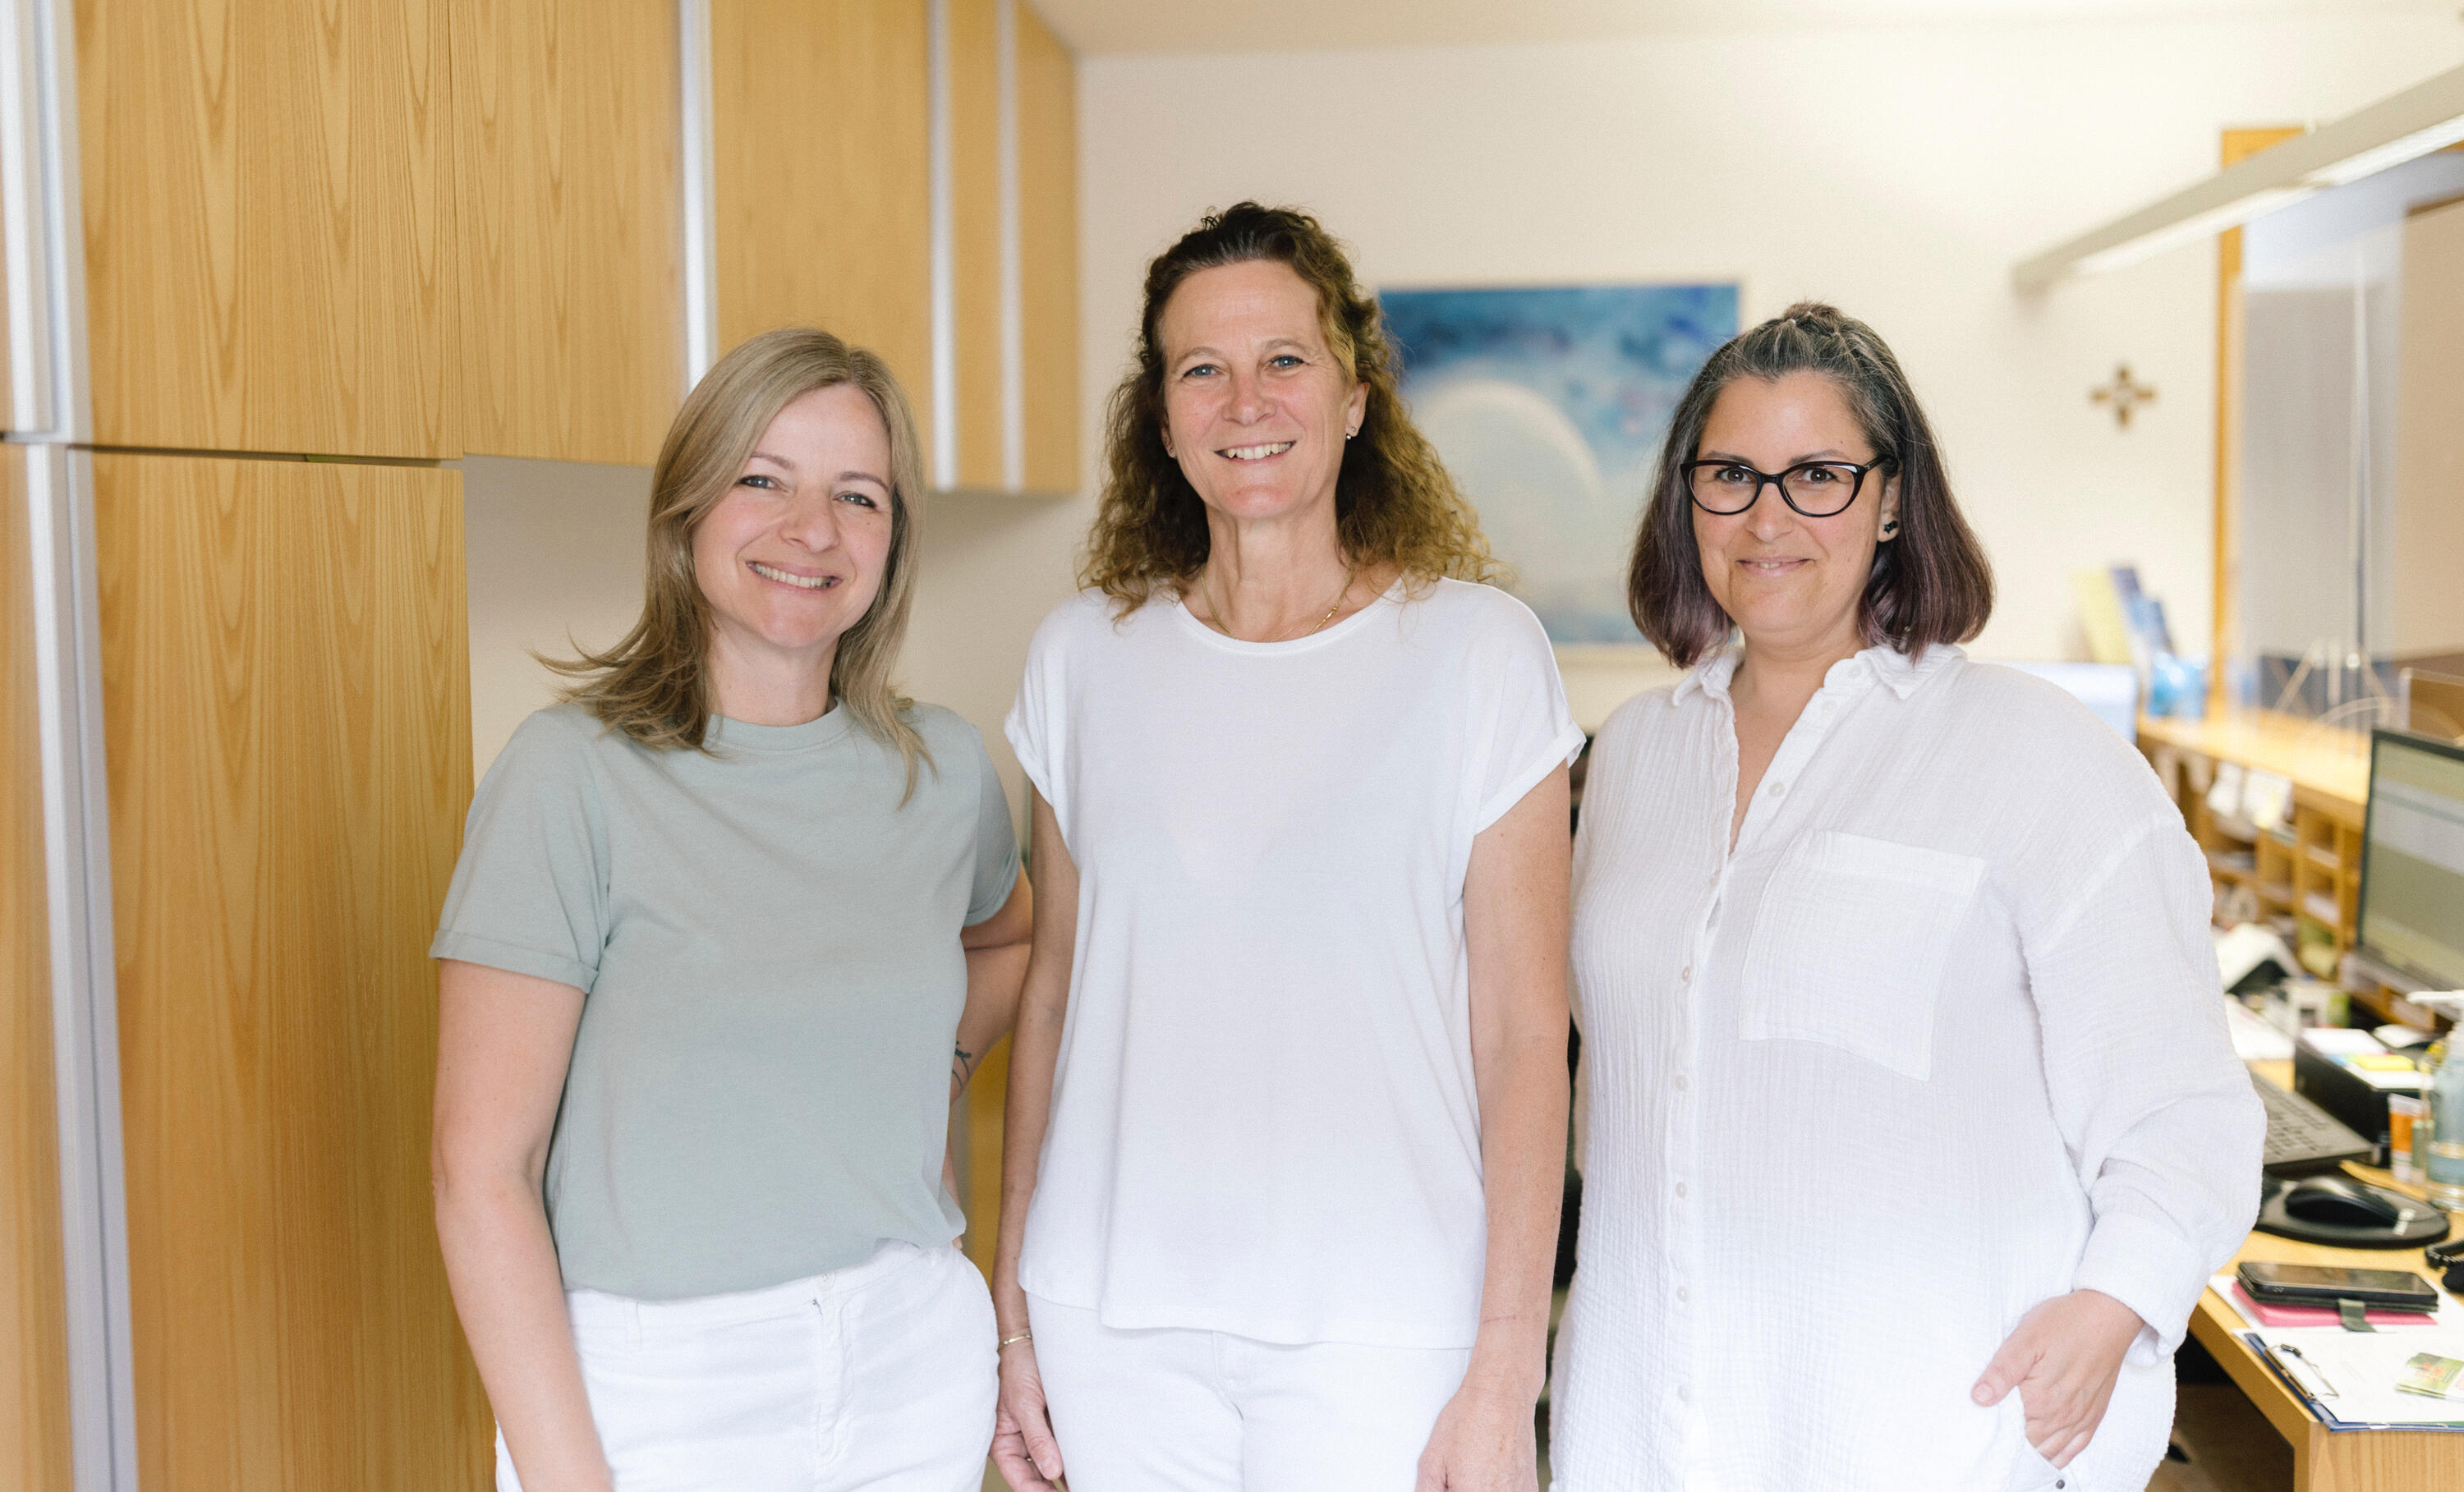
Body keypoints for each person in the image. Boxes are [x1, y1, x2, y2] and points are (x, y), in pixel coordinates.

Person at [1550, 303, 2263, 1491]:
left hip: (1922, 1434)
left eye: (1818, 475)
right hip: (1644, 1427)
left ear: (1890, 500)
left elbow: (2184, 1108)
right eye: (1730, 475)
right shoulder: (1629, 757)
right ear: (1688, 499)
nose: (1768, 516)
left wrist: (2113, 1307)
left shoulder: (2038, 757)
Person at [989, 203, 1582, 1492]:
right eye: (1202, 368)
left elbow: (1525, 1032)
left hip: (1385, 1327)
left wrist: (1508, 1368)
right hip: (1111, 1322)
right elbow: (1054, 994)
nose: (1245, 401)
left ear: (1355, 396)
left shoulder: (1478, 654)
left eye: (1284, 360)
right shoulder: (1083, 657)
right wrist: (1015, 1316)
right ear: (1162, 419)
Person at [429, 328, 1032, 1492]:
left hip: (911, 1358)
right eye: (764, 479)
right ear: (688, 509)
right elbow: (481, 1173)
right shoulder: (570, 777)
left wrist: (937, 1068)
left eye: (857, 496)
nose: (813, 529)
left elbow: (1011, 937)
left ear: (893, 539)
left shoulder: (942, 771)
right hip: (660, 1387)